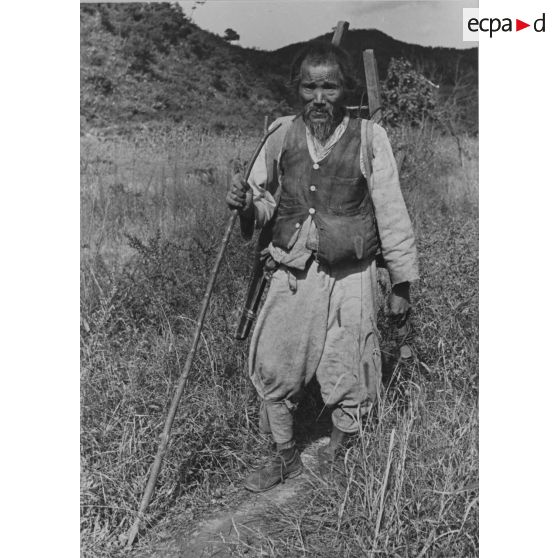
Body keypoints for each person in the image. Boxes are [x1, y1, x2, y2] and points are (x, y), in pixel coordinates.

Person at [226, 42, 419, 493]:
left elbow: (391, 210)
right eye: (309, 86)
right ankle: (284, 456)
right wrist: (243, 204)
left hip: (353, 272)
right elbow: (261, 198)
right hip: (292, 270)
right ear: (297, 88)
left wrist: (401, 283)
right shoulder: (280, 133)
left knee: (352, 363)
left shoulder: (371, 137)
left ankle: (340, 449)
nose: (318, 97)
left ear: (345, 89)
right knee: (274, 362)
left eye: (328, 86)